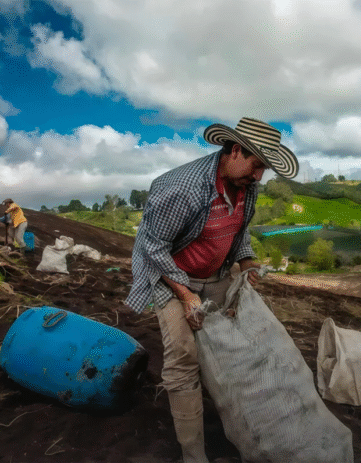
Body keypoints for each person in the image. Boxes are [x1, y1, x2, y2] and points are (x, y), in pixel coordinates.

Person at [125, 117, 298, 463]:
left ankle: (228, 419)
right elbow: (154, 248)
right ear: (235, 150)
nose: (259, 176)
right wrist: (186, 295)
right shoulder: (182, 189)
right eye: (256, 165)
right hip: (171, 277)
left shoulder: (245, 186)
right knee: (185, 358)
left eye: (264, 169)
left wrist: (246, 261)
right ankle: (193, 455)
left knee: (226, 347)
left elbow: (239, 229)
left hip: (216, 274)